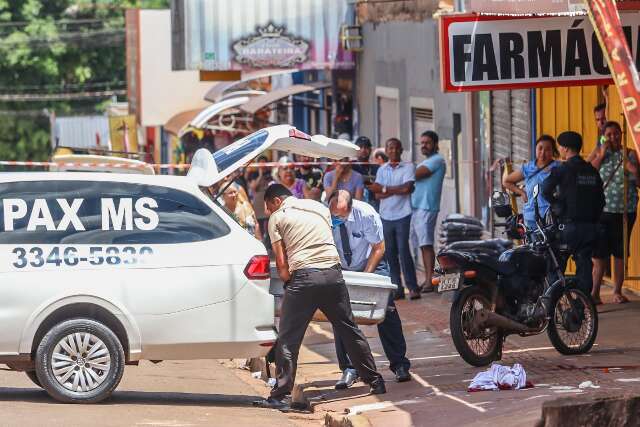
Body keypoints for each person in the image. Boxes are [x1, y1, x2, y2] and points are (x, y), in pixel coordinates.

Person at [253, 184, 385, 411]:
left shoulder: (278, 217)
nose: (268, 212)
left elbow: (282, 265)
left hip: (304, 276)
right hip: (334, 274)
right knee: (349, 329)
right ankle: (376, 381)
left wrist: (287, 282)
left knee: (288, 338)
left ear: (275, 201)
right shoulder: (318, 207)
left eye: (268, 207)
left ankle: (280, 396)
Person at [329, 190, 411, 388]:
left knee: (386, 309)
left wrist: (365, 277)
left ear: (350, 208)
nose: (336, 218)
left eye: (340, 215)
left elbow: (378, 248)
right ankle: (349, 368)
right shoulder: (325, 216)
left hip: (371, 262)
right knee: (340, 313)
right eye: (334, 214)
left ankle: (400, 364)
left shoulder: (366, 214)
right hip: (343, 264)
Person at [542, 131, 605, 296]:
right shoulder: (592, 171)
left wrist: (557, 205)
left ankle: (554, 307)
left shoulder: (563, 170)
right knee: (584, 270)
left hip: (567, 229)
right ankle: (581, 308)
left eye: (560, 147)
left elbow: (544, 190)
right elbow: (601, 201)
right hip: (589, 229)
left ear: (565, 148)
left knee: (555, 269)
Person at [590, 121, 640, 304]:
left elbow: (639, 181)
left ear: (622, 134)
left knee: (620, 252)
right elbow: (587, 173)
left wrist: (633, 169)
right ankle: (594, 293)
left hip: (626, 212)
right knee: (599, 253)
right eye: (609, 134)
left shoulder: (630, 154)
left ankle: (617, 291)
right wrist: (601, 155)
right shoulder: (598, 153)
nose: (613, 137)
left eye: (616, 133)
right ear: (603, 136)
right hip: (602, 211)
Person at [368, 138, 420, 300]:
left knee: (404, 251)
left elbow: (408, 189)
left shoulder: (409, 167)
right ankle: (397, 288)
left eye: (396, 148)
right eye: (390, 148)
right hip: (385, 216)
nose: (393, 151)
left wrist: (384, 188)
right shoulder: (382, 170)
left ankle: (413, 287)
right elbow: (376, 194)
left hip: (403, 215)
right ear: (387, 150)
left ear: (401, 150)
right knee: (390, 253)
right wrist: (394, 190)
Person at [411, 131, 447, 293]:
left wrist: (401, 169)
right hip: (417, 207)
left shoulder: (437, 160)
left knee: (426, 244)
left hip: (427, 207)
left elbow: (417, 174)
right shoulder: (426, 161)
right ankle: (426, 280)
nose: (424, 145)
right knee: (420, 244)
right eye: (422, 143)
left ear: (435, 144)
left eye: (427, 142)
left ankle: (429, 281)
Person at [503, 135, 561, 230]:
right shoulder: (528, 167)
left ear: (553, 151)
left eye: (547, 149)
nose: (543, 153)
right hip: (530, 217)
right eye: (540, 148)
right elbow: (507, 181)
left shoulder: (558, 167)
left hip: (551, 217)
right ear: (535, 149)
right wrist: (521, 192)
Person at [247, 156, 274, 242]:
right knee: (259, 224)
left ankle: (269, 244)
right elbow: (253, 187)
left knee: (269, 225)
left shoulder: (271, 173)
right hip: (258, 202)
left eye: (264, 162)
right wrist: (260, 175)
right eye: (260, 163)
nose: (262, 165)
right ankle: (262, 242)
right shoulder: (254, 174)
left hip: (267, 200)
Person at [352, 136, 379, 210]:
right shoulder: (350, 166)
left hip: (374, 204)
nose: (363, 150)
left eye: (366, 147)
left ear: (371, 150)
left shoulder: (376, 167)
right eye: (360, 147)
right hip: (355, 204)